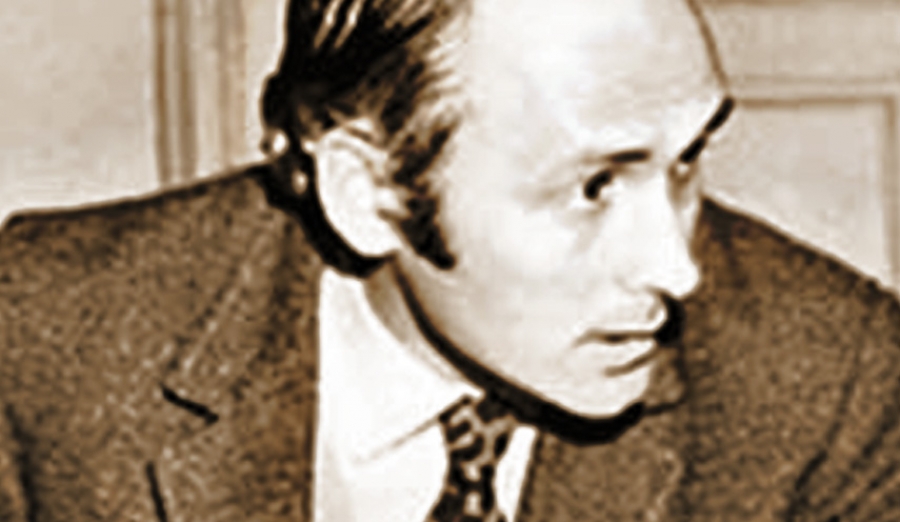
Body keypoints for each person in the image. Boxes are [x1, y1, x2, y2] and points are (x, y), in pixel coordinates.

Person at [1, 0, 898, 520]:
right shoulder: (37, 340)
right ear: (366, 192)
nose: (678, 266)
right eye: (593, 186)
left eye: (688, 158)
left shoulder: (835, 381)